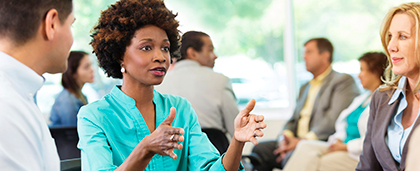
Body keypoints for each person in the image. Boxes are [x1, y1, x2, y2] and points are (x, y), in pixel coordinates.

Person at [77, 0, 266, 170]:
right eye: (146, 47)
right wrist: (145, 148)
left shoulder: (180, 109)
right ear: (119, 56)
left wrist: (237, 141)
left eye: (165, 48)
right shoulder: (94, 117)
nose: (160, 57)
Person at [250, 38, 360, 171]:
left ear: (325, 56)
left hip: (318, 141)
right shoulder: (305, 87)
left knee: (293, 155)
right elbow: (293, 119)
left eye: (309, 52)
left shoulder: (342, 81)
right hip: (295, 140)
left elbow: (333, 119)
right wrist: (285, 138)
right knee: (260, 150)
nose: (304, 57)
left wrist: (302, 141)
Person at [0, 0, 74, 170]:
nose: (71, 39)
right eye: (71, 25)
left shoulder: (19, 93)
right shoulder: (7, 105)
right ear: (52, 24)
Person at [282, 52, 387, 171]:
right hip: (341, 146)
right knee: (304, 146)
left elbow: (372, 141)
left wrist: (345, 147)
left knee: (319, 163)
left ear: (376, 72)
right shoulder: (362, 99)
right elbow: (342, 125)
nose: (359, 75)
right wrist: (337, 140)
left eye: (362, 70)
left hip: (356, 154)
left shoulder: (384, 102)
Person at [356, 2, 420, 171]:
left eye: (403, 36)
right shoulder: (382, 97)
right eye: (390, 36)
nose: (391, 46)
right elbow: (367, 165)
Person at [155, 31, 239, 153]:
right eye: (210, 50)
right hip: (214, 153)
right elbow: (236, 128)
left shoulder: (159, 83)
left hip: (172, 155)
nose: (215, 56)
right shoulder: (220, 81)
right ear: (192, 53)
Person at [50, 51, 94, 127]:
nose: (92, 70)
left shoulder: (79, 95)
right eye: (86, 67)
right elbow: (73, 133)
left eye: (91, 65)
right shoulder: (68, 100)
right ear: (73, 73)